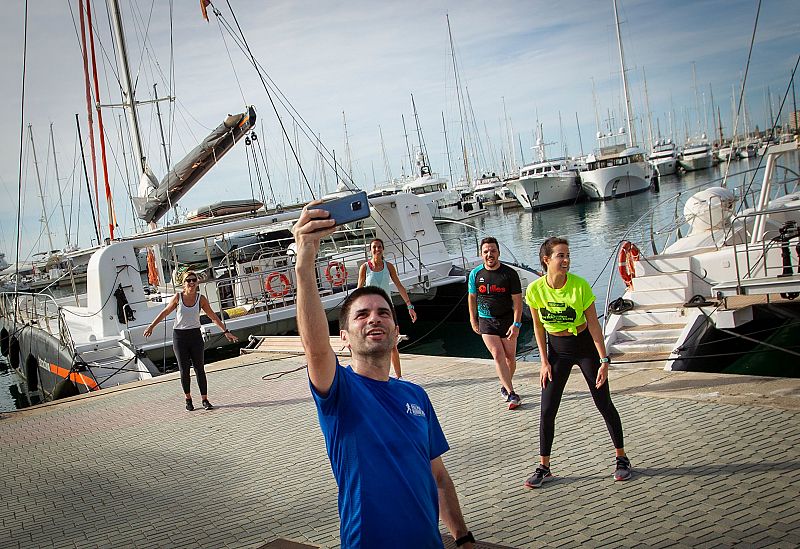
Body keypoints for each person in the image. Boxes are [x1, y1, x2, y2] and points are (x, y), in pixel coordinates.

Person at [294, 202, 475, 549]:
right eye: (361, 315)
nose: (374, 318)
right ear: (343, 338)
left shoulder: (416, 396)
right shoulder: (339, 391)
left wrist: (463, 538)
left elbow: (438, 477)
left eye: (383, 313)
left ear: (395, 332)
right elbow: (315, 349)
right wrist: (305, 264)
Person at [523, 237, 631, 488]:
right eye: (560, 256)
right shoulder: (535, 289)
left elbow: (594, 325)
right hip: (557, 352)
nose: (566, 260)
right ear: (546, 260)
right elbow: (539, 328)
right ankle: (544, 467)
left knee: (603, 403)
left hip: (583, 348)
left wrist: (603, 359)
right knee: (547, 410)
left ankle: (622, 458)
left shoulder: (579, 286)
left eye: (568, 255)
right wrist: (543, 361)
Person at [143, 270, 238, 411]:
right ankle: (188, 399)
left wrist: (226, 331)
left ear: (197, 282)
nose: (192, 282)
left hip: (195, 336)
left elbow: (213, 316)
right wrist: (152, 326)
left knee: (200, 369)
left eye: (194, 280)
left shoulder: (201, 299)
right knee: (184, 370)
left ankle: (205, 400)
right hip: (180, 337)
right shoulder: (178, 297)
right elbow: (165, 312)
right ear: (184, 283)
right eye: (189, 280)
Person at [467, 237, 523, 409]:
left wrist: (516, 324)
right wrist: (472, 318)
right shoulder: (475, 274)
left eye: (492, 251)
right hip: (486, 320)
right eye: (485, 251)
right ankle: (512, 393)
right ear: (480, 254)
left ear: (498, 252)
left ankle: (505, 385)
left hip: (507, 320)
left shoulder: (509, 274)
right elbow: (472, 297)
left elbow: (518, 301)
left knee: (510, 358)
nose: (489, 254)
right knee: (498, 355)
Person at [357, 238, 418, 379]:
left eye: (379, 247)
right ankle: (373, 376)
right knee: (371, 345)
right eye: (374, 247)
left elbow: (399, 286)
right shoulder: (365, 268)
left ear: (383, 249)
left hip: (387, 310)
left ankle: (399, 377)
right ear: (370, 250)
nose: (377, 249)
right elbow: (359, 290)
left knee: (392, 345)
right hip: (371, 312)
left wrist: (410, 306)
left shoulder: (388, 266)